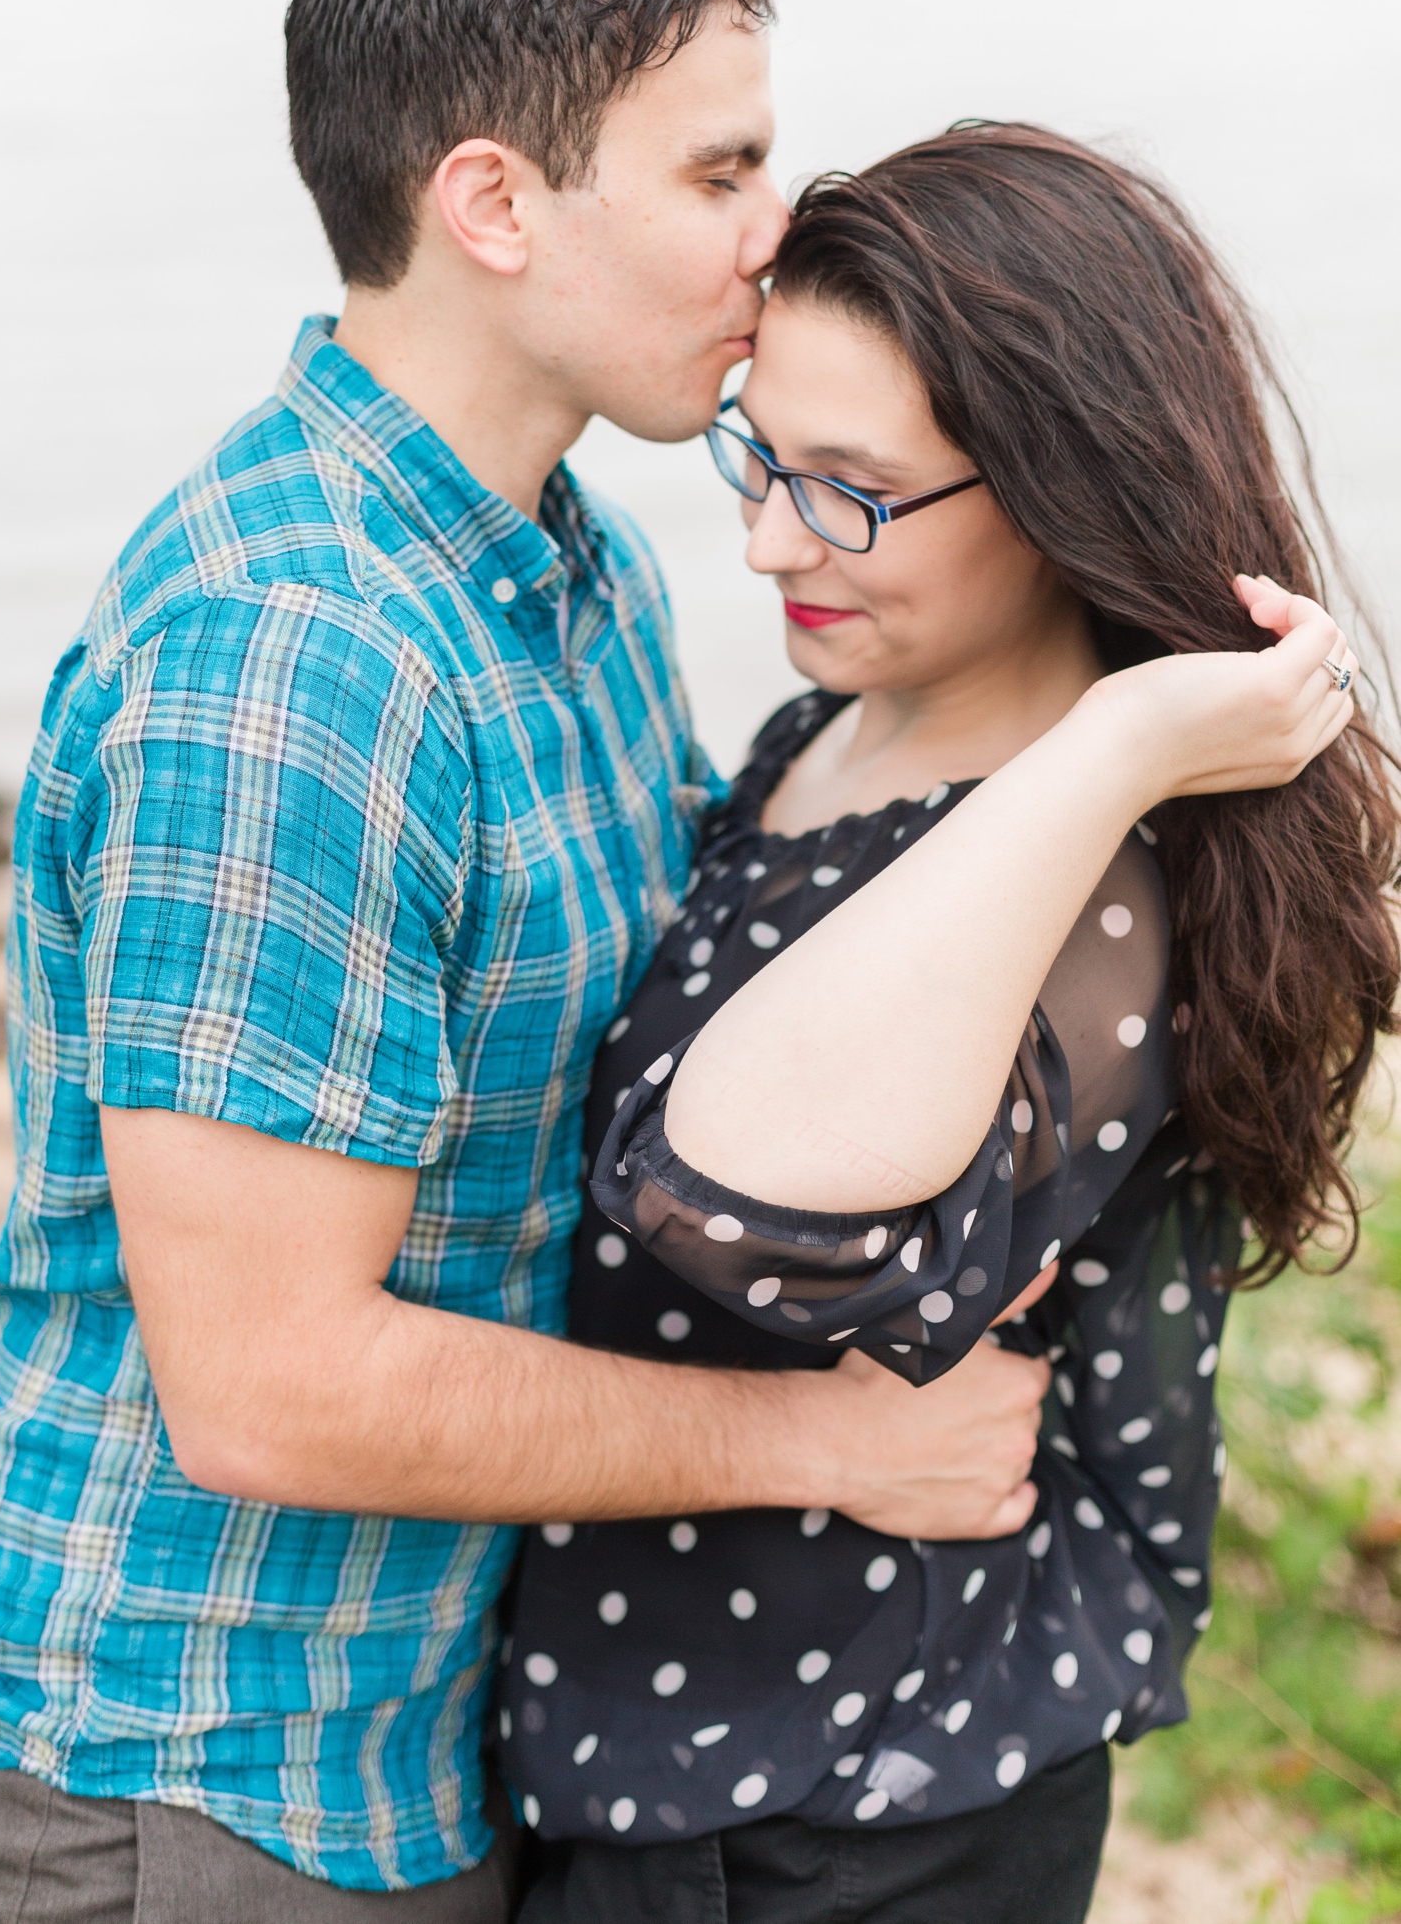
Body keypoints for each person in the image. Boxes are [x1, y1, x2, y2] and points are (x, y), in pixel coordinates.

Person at [0, 0, 1060, 1923]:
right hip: (174, 1768)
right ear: (497, 203)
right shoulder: (297, 662)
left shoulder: (561, 561)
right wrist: (844, 1446)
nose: (777, 244)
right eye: (719, 174)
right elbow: (274, 1384)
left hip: (415, 1730)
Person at [503, 125, 1399, 1923]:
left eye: (847, 485)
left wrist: (1128, 733)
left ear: (1063, 486)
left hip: (853, 1806)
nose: (768, 538)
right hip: (661, 1755)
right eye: (762, 455)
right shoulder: (839, 729)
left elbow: (734, 1196)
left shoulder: (1103, 877)